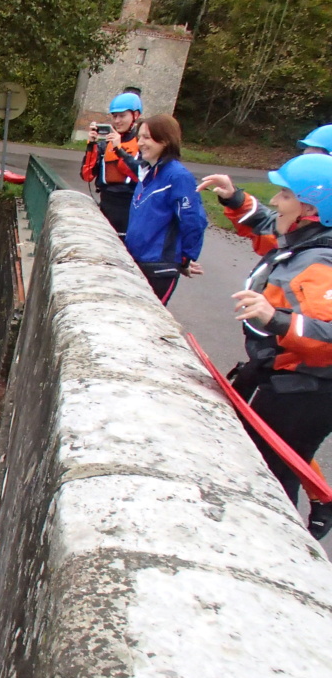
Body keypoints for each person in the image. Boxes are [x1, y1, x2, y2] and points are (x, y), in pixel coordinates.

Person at [225, 153, 332, 538]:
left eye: (284, 194)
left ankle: (275, 544)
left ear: (310, 209)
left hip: (304, 391)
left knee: (272, 480)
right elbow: (266, 230)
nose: (275, 201)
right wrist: (235, 199)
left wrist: (277, 319)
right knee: (265, 466)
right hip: (283, 381)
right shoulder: (303, 243)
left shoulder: (322, 260)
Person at [197, 123, 332, 256]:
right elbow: (271, 231)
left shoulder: (321, 260)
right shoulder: (305, 228)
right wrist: (235, 199)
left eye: (316, 161)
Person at [124, 114, 208, 304]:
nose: (140, 143)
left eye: (147, 137)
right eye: (140, 136)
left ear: (164, 140)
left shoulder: (178, 177)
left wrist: (185, 259)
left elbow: (193, 220)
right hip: (136, 261)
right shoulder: (149, 173)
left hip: (158, 268)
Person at [80, 92, 143, 240]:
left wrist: (118, 149)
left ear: (135, 116)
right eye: (114, 116)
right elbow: (87, 175)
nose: (117, 121)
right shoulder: (104, 145)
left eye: (122, 116)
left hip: (129, 206)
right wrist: (91, 145)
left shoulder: (141, 143)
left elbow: (138, 175)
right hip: (107, 204)